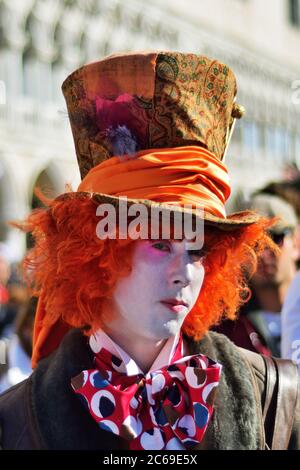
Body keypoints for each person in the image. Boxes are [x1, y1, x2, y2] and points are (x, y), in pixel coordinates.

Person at [0, 51, 299, 450]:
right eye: (160, 244)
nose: (185, 272)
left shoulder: (275, 398)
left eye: (197, 250)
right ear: (98, 254)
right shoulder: (15, 422)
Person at [215, 193, 299, 356]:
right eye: (253, 243)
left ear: (296, 243)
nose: (263, 253)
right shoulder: (224, 330)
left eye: (275, 238)